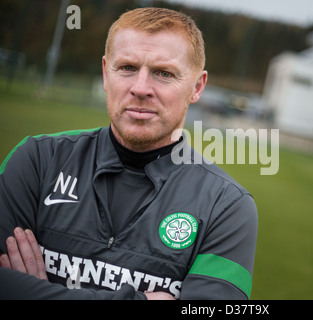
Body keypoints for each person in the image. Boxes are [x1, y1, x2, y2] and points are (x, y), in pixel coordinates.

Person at [0, 7, 258, 300]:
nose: (140, 88)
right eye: (127, 68)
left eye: (164, 73)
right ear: (105, 73)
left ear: (196, 87)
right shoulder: (37, 160)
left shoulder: (226, 206)